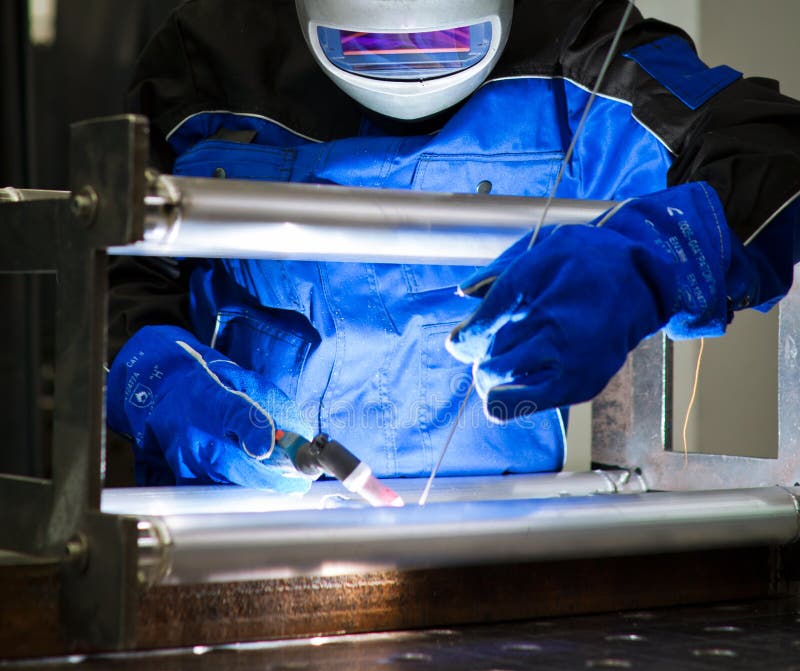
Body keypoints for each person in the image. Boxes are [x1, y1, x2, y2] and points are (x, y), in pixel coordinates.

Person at [107, 0, 800, 491]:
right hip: (233, 531)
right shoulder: (205, 58)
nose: (406, 59)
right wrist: (159, 380)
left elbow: (774, 151)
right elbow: (113, 273)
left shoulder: (577, 44)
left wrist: (648, 265)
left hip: (492, 546)